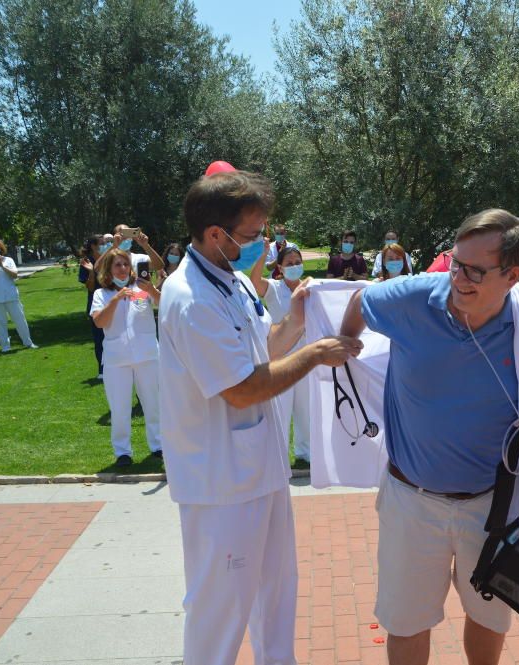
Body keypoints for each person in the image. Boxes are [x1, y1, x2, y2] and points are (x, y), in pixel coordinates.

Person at [339, 208, 519, 665]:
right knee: (407, 620)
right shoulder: (411, 298)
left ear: (513, 274)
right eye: (456, 262)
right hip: (411, 500)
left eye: (475, 270)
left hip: (493, 506)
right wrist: (346, 347)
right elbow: (359, 303)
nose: (459, 278)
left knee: (489, 615)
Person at [158, 170, 362, 665]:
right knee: (219, 609)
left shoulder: (229, 280)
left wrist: (293, 321)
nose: (262, 246)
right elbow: (245, 389)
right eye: (251, 236)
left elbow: (259, 353)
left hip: (258, 470)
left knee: (276, 592)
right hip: (221, 482)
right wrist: (314, 354)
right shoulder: (192, 300)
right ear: (215, 234)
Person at [90, 249, 162, 467]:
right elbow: (100, 322)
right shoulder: (101, 294)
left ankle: (158, 445)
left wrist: (152, 290)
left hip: (147, 355)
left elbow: (164, 304)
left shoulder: (141, 288)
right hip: (116, 360)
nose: (122, 269)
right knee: (119, 408)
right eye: (117, 265)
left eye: (124, 264)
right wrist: (116, 299)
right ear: (109, 270)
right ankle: (123, 452)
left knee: (153, 403)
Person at [250, 242, 312, 465]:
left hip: (306, 356)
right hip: (280, 358)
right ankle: (279, 455)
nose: (294, 266)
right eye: (289, 263)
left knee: (305, 410)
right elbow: (254, 282)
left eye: (297, 262)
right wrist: (263, 254)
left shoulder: (310, 287)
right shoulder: (274, 288)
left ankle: (305, 453)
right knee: (281, 410)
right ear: (280, 267)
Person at [0, 239, 37, 352]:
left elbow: (14, 275)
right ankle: (5, 346)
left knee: (20, 320)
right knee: (0, 323)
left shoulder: (9, 260)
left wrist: (2, 265)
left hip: (11, 295)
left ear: (0, 248)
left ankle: (28, 342)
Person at [79, 235, 106, 379]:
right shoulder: (86, 262)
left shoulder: (110, 259)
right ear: (94, 246)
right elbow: (90, 288)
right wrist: (91, 271)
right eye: (102, 243)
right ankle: (102, 370)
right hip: (96, 304)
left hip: (112, 301)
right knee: (99, 338)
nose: (105, 245)